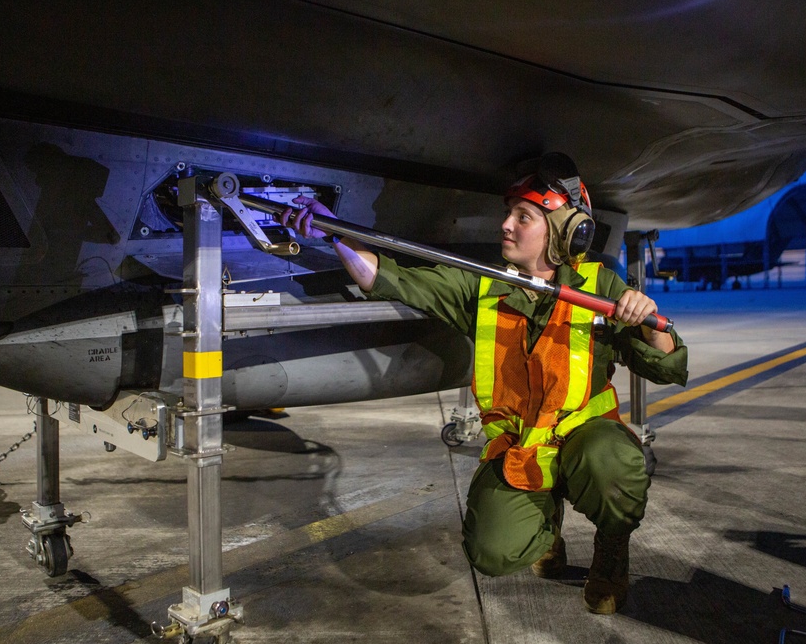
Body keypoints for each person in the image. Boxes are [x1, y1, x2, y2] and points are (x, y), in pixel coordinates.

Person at [279, 153, 688, 615]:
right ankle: (545, 523)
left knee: (610, 462)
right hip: (521, 449)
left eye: (523, 216)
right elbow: (388, 277)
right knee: (492, 551)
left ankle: (611, 553)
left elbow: (667, 366)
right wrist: (337, 233)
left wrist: (649, 322)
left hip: (585, 437)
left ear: (564, 232)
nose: (506, 226)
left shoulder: (601, 288)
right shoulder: (484, 288)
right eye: (508, 213)